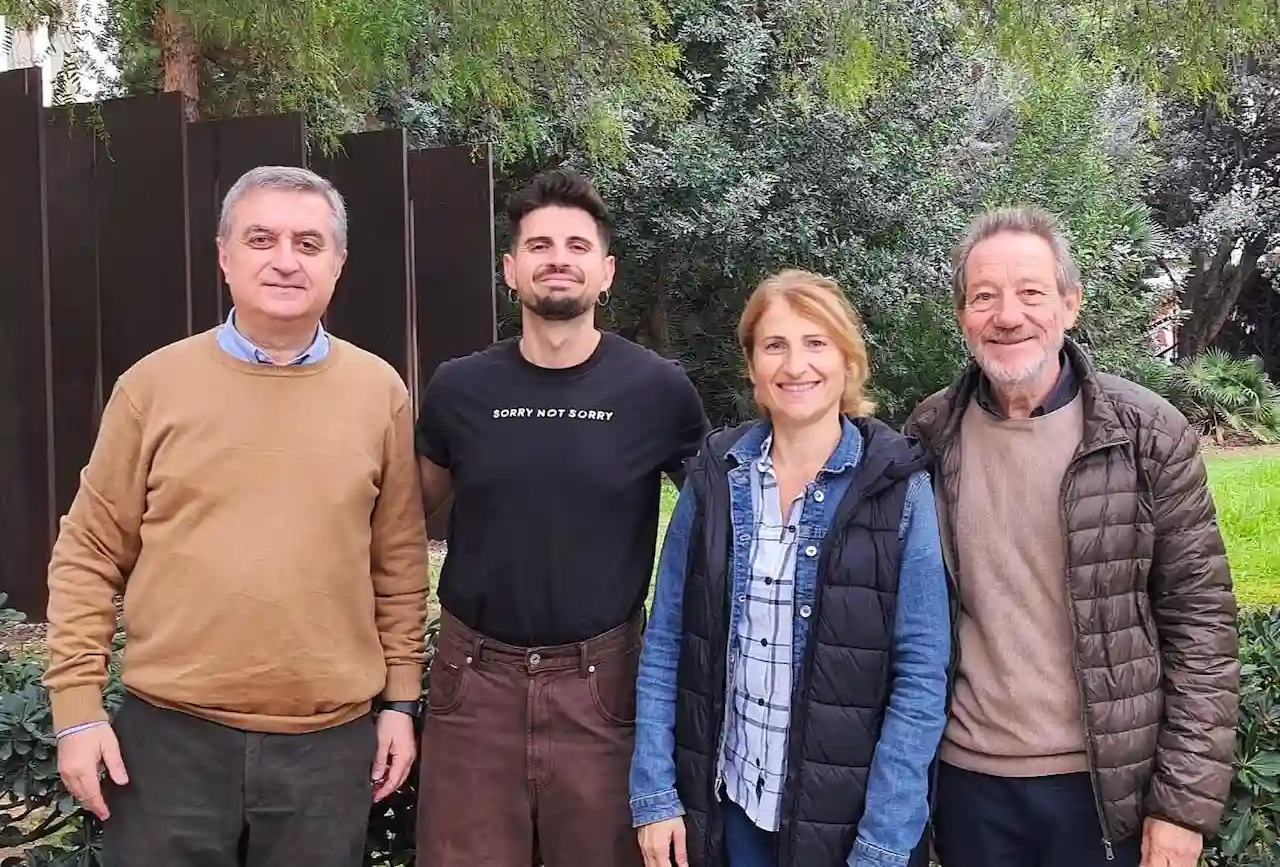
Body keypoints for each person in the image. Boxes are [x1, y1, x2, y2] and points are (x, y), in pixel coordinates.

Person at [43, 165, 430, 867]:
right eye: (262, 238)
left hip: (327, 746)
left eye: (309, 243)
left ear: (337, 264)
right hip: (169, 745)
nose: (285, 259)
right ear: (225, 255)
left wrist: (401, 702)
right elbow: (90, 551)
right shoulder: (153, 387)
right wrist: (76, 708)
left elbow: (398, 562)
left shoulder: (380, 394)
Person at [904, 206, 1240, 867]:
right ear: (962, 315)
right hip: (969, 784)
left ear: (1069, 303)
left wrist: (1180, 805)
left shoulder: (1147, 435)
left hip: (1106, 788)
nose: (1007, 315)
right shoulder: (929, 434)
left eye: (1031, 292)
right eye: (984, 296)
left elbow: (1201, 623)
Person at [413, 168, 710, 867]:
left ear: (605, 272)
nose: (558, 257)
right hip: (472, 684)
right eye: (539, 244)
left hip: (602, 687)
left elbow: (722, 523)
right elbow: (398, 520)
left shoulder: (657, 390)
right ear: (510, 270)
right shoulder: (459, 387)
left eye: (577, 245)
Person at [630, 268, 952, 867]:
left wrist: (884, 841)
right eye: (774, 345)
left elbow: (920, 680)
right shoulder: (716, 478)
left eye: (816, 343)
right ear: (753, 367)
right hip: (730, 812)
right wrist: (655, 796)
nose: (795, 365)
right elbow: (666, 641)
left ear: (848, 362)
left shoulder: (899, 489)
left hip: (848, 829)